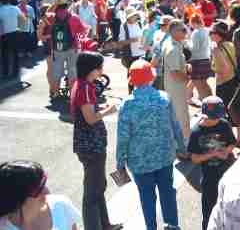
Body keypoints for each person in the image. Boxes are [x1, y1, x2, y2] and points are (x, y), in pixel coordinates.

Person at [116, 59, 186, 230]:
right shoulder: (164, 98)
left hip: (140, 162)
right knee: (167, 192)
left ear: (132, 81)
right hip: (164, 156)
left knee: (147, 197)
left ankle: (151, 227)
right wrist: (181, 147)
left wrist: (120, 162)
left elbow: (123, 137)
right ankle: (172, 225)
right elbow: (175, 125)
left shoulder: (127, 104)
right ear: (151, 79)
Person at [70, 52, 121, 230]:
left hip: (89, 143)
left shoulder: (82, 85)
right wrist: (109, 110)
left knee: (98, 186)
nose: (101, 71)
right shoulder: (85, 88)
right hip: (90, 144)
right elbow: (90, 118)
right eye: (99, 67)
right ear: (91, 69)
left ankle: (104, 224)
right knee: (93, 191)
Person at [187, 96, 236, 230]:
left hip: (226, 175)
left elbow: (232, 143)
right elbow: (194, 158)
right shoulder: (196, 132)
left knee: (227, 206)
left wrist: (226, 151)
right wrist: (212, 154)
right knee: (209, 209)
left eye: (218, 116)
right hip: (209, 178)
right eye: (213, 117)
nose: (216, 120)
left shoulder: (224, 124)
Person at [0, 160, 81, 230]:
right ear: (17, 198)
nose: (47, 192)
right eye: (38, 190)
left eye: (44, 183)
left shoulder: (60, 206)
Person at [162, 19, 191, 138]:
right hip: (176, 86)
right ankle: (183, 145)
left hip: (175, 85)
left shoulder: (174, 43)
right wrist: (188, 77)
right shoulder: (172, 48)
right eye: (183, 30)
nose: (186, 32)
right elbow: (175, 73)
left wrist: (185, 67)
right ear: (174, 32)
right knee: (181, 116)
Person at [116, 7, 145, 93]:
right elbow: (120, 42)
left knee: (142, 75)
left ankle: (141, 93)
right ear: (128, 17)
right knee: (131, 75)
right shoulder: (124, 26)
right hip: (130, 55)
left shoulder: (139, 24)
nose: (135, 17)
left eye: (135, 16)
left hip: (141, 53)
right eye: (133, 16)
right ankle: (131, 93)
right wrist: (132, 40)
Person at [0, 0, 26, 79]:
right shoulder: (15, 8)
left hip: (4, 34)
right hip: (15, 32)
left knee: (5, 54)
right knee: (15, 53)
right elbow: (23, 19)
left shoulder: (1, 10)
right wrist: (19, 27)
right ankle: (15, 72)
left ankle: (5, 72)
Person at [188, 14, 213, 100]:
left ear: (193, 22)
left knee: (200, 86)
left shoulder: (196, 32)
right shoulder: (206, 30)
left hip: (197, 61)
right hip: (206, 59)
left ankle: (205, 106)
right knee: (204, 84)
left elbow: (195, 48)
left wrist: (186, 44)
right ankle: (212, 102)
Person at [151, 14, 174, 90]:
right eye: (160, 24)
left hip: (167, 71)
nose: (161, 26)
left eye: (164, 25)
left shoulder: (173, 37)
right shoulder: (157, 33)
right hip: (157, 70)